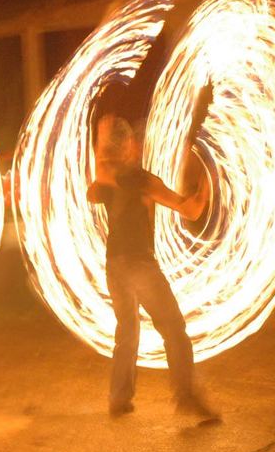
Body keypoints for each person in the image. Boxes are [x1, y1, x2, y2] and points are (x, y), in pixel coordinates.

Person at [87, 85, 219, 419]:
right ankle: (186, 397)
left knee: (127, 331)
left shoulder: (112, 180)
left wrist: (103, 138)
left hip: (114, 265)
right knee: (173, 329)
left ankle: (119, 398)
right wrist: (207, 184)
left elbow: (95, 185)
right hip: (138, 265)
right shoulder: (142, 179)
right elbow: (189, 211)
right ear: (129, 147)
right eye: (135, 141)